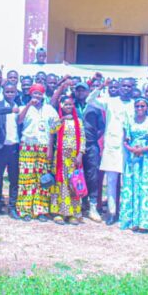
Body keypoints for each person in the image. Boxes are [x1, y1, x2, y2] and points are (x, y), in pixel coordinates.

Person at [87, 78, 136, 226]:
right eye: (124, 86)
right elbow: (90, 100)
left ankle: (127, 213)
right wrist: (102, 86)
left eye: (129, 86)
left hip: (130, 148)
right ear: (119, 88)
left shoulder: (136, 104)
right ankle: (112, 212)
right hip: (112, 146)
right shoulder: (110, 101)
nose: (126, 88)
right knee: (111, 181)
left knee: (128, 181)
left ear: (132, 88)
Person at [119, 97, 148, 231]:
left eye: (142, 106)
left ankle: (146, 222)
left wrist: (143, 149)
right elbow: (125, 140)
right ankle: (132, 221)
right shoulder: (129, 121)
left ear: (147, 107)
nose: (140, 108)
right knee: (132, 185)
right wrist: (131, 149)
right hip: (133, 157)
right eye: (137, 106)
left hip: (147, 157)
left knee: (146, 187)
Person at [17, 83, 59, 221]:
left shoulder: (49, 109)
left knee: (42, 178)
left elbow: (55, 128)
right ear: (30, 94)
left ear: (43, 95)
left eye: (40, 94)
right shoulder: (24, 107)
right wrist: (29, 105)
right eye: (35, 93)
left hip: (44, 146)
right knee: (26, 178)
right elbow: (19, 121)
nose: (37, 96)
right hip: (28, 145)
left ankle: (41, 210)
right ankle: (25, 210)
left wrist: (50, 147)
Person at [0, 83, 21, 220]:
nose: (10, 94)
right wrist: (10, 110)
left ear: (16, 93)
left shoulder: (19, 106)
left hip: (14, 148)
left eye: (12, 92)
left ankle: (12, 208)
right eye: (7, 92)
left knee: (14, 179)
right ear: (3, 92)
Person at [49, 95, 85, 225]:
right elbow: (52, 130)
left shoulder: (78, 121)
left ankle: (72, 214)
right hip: (60, 158)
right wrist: (62, 119)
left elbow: (82, 138)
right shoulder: (58, 119)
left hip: (74, 159)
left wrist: (80, 154)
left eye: (70, 104)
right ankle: (58, 213)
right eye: (66, 104)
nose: (68, 106)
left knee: (73, 184)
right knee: (61, 184)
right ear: (61, 106)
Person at [72, 82, 104, 222]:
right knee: (76, 174)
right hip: (74, 146)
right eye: (78, 90)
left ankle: (92, 206)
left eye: (83, 90)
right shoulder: (71, 105)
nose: (80, 93)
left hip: (91, 145)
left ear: (88, 92)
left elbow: (101, 127)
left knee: (92, 175)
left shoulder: (95, 106)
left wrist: (93, 138)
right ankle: (78, 204)